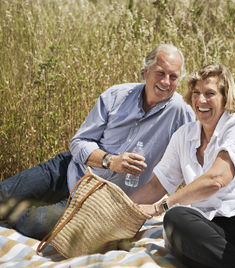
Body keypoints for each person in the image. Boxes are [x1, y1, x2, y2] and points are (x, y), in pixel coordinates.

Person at [0, 44, 194, 240]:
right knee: (2, 194)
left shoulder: (181, 113)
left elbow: (190, 162)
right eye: (160, 73)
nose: (166, 82)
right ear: (146, 71)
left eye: (173, 76)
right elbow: (78, 143)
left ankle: (21, 212)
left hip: (99, 202)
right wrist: (110, 161)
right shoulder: (116, 95)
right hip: (69, 170)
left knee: (34, 223)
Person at [130, 63, 235, 268]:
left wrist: (161, 206)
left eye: (210, 93)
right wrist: (122, 207)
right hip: (215, 235)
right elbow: (156, 186)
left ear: (225, 98)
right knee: (175, 218)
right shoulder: (183, 136)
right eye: (196, 92)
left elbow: (217, 180)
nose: (201, 100)